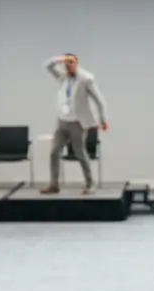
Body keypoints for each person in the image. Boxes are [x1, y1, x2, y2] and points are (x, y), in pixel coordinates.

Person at [39, 54, 108, 195]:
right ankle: (54, 185)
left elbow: (99, 100)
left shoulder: (86, 79)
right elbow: (48, 65)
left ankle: (90, 184)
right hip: (62, 121)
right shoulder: (63, 77)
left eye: (71, 62)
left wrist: (103, 119)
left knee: (79, 153)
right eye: (66, 63)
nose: (68, 65)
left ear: (77, 64)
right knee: (54, 152)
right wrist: (60, 59)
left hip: (77, 123)